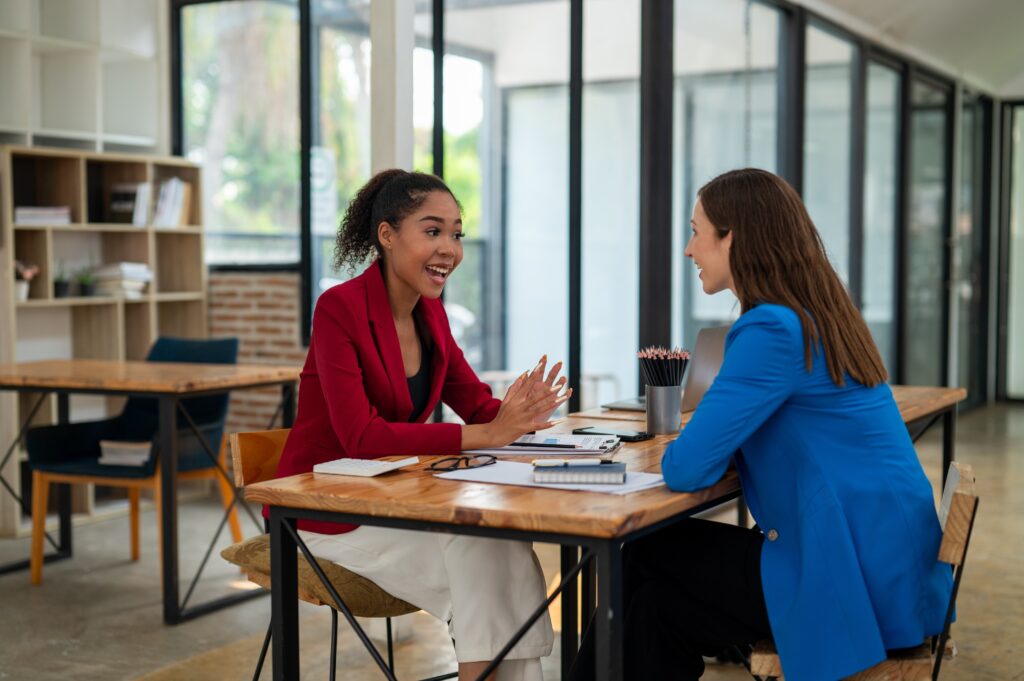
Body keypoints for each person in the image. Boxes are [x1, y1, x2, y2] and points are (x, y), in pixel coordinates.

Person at [571, 168, 953, 681]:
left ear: (733, 238)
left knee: (642, 560)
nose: (689, 249)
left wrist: (707, 434)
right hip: (889, 571)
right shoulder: (818, 315)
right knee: (653, 600)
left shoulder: (771, 327)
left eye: (696, 231)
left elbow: (686, 470)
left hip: (847, 579)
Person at [277, 168, 571, 681]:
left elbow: (477, 406)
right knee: (481, 559)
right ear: (387, 236)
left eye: (456, 233)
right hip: (321, 512)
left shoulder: (431, 314)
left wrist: (520, 413)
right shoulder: (339, 309)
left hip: (391, 502)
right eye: (432, 231)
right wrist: (487, 433)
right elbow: (361, 438)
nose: (450, 248)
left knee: (497, 542)